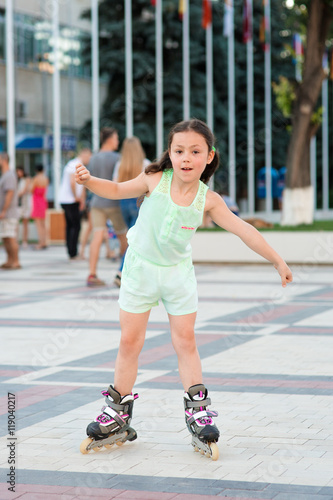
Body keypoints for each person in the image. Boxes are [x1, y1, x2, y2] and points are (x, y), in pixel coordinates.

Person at [76, 119, 293, 458]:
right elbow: (117, 190)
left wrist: (277, 260)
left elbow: (243, 230)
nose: (186, 158)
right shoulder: (154, 180)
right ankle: (116, 412)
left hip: (177, 276)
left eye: (195, 151)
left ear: (209, 156)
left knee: (186, 341)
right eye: (179, 151)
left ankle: (199, 411)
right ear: (170, 154)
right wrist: (90, 182)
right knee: (130, 341)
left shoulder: (209, 200)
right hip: (139, 271)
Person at [86, 127, 128, 287]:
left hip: (97, 203)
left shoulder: (93, 158)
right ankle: (125, 271)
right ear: (110, 140)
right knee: (123, 236)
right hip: (114, 202)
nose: (117, 142)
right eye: (116, 138)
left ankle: (92, 274)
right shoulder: (117, 158)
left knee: (97, 236)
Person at [112, 136, 150, 287]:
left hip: (123, 202)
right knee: (135, 241)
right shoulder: (145, 164)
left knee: (132, 239)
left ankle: (133, 273)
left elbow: (115, 184)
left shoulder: (120, 164)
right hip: (139, 202)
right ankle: (121, 272)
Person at [59, 148, 92, 260]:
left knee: (71, 226)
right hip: (70, 200)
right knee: (75, 226)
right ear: (84, 154)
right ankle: (73, 253)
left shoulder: (76, 164)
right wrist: (76, 197)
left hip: (70, 200)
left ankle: (71, 252)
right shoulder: (74, 164)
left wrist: (82, 199)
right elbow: (72, 182)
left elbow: (82, 185)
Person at [0, 153, 21, 269]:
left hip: (9, 212)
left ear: (4, 160)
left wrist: (4, 210)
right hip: (5, 213)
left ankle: (16, 261)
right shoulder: (5, 175)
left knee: (11, 237)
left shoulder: (9, 176)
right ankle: (9, 260)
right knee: (5, 237)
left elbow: (10, 193)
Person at [31, 164, 49, 249]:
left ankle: (40, 243)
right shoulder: (46, 179)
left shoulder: (36, 179)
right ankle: (44, 242)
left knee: (38, 224)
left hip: (37, 201)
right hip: (43, 201)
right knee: (43, 224)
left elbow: (31, 190)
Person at [16, 166, 32, 247]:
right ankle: (16, 241)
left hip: (25, 203)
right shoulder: (17, 180)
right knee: (16, 223)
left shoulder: (27, 179)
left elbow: (24, 190)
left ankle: (25, 241)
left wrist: (15, 195)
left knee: (25, 223)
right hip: (19, 204)